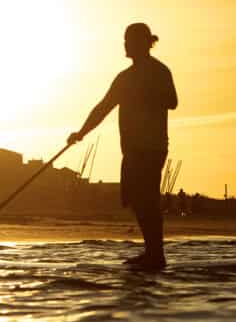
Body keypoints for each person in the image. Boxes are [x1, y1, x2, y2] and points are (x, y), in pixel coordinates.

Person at [69, 23, 178, 269]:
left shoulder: (159, 71)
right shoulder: (124, 78)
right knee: (136, 199)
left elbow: (172, 101)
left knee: (147, 198)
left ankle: (155, 255)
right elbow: (103, 107)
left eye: (129, 41)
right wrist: (81, 133)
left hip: (152, 146)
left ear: (144, 42)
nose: (125, 45)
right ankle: (152, 252)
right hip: (131, 149)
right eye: (125, 41)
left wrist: (143, 94)